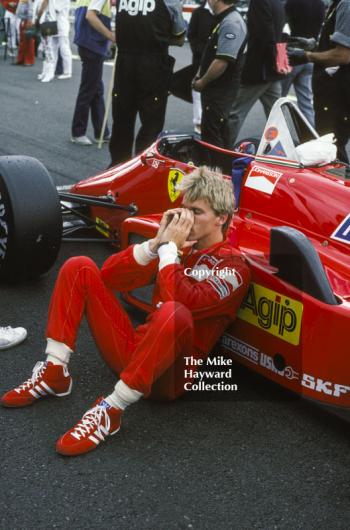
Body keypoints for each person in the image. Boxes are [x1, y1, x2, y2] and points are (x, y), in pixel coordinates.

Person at [1, 167, 250, 457]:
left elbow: (180, 301)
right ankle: (55, 371)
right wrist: (156, 245)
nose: (185, 218)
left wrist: (171, 250)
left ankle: (111, 410)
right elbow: (110, 276)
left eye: (196, 212)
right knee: (79, 266)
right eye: (183, 209)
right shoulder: (181, 247)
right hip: (135, 353)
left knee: (176, 311)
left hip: (167, 378)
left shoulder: (235, 268)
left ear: (221, 218)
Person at [108, 0, 186, 166]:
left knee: (122, 120)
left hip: (125, 63)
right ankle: (142, 168)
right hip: (153, 65)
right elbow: (180, 37)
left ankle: (117, 166)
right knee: (151, 122)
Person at [288, 0, 350, 163]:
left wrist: (307, 55)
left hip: (336, 91)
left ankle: (337, 187)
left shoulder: (346, 4)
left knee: (330, 148)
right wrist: (315, 45)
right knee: (333, 146)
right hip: (338, 90)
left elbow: (342, 55)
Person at [227, 0, 285, 146]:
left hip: (259, 67)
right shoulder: (279, 2)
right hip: (273, 67)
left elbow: (264, 34)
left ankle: (221, 152)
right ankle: (283, 151)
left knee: (235, 112)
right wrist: (280, 62)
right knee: (277, 115)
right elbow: (279, 33)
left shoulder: (259, 2)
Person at [192, 0, 247, 149]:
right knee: (218, 132)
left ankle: (216, 169)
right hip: (218, 89)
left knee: (212, 137)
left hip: (220, 89)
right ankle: (221, 167)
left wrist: (202, 82)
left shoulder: (231, 22)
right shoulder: (226, 19)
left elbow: (222, 61)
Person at [70, 0, 114, 145]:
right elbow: (90, 16)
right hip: (92, 44)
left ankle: (102, 131)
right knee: (89, 89)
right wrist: (110, 35)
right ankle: (78, 132)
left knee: (96, 89)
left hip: (89, 43)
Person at [281, 0, 325, 126]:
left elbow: (282, 26)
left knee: (278, 99)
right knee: (306, 101)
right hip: (310, 55)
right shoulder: (320, 4)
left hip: (292, 55)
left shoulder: (291, 3)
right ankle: (310, 136)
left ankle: (279, 133)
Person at [187, 0, 215, 135]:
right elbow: (191, 35)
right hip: (200, 57)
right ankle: (198, 120)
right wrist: (199, 51)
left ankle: (211, 119)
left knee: (215, 88)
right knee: (198, 88)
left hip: (218, 57)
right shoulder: (198, 12)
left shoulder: (224, 12)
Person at [36, 0, 72, 82]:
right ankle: (50, 71)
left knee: (64, 48)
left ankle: (67, 72)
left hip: (62, 25)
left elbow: (56, 8)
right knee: (52, 48)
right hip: (52, 23)